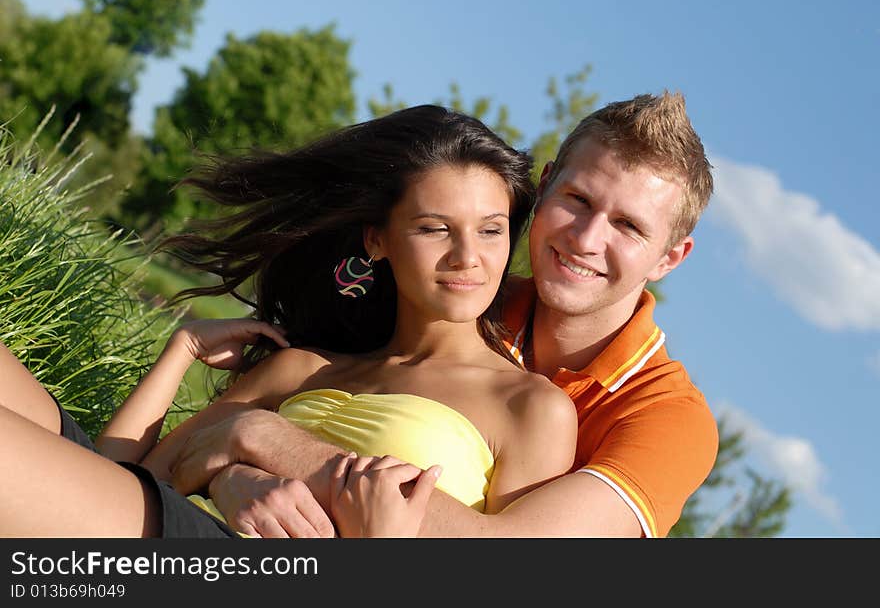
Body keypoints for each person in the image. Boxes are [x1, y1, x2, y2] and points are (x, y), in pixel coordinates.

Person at [0, 104, 577, 538]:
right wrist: (232, 474)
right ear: (377, 240)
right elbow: (127, 473)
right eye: (434, 228)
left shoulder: (531, 408)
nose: (466, 256)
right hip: (162, 530)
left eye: (491, 229)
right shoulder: (303, 369)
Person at [169, 91, 719, 538]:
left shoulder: (671, 419)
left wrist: (264, 442)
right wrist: (231, 475)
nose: (587, 238)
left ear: (671, 257)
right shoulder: (462, 293)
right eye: (577, 199)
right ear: (545, 184)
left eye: (628, 226)